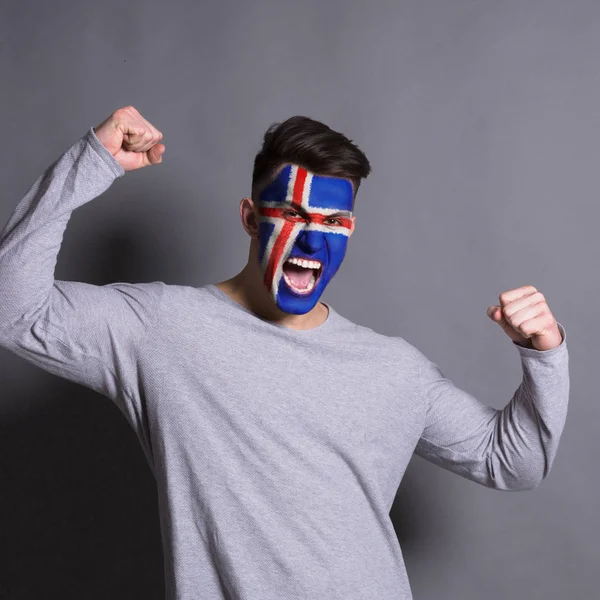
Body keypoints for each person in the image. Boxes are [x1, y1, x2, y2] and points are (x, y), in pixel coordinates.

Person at [0, 105, 570, 600]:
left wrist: (543, 353)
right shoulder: (162, 329)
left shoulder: (391, 368)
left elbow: (511, 462)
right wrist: (90, 161)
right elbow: (13, 311)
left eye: (333, 222)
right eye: (293, 215)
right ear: (251, 218)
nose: (312, 239)